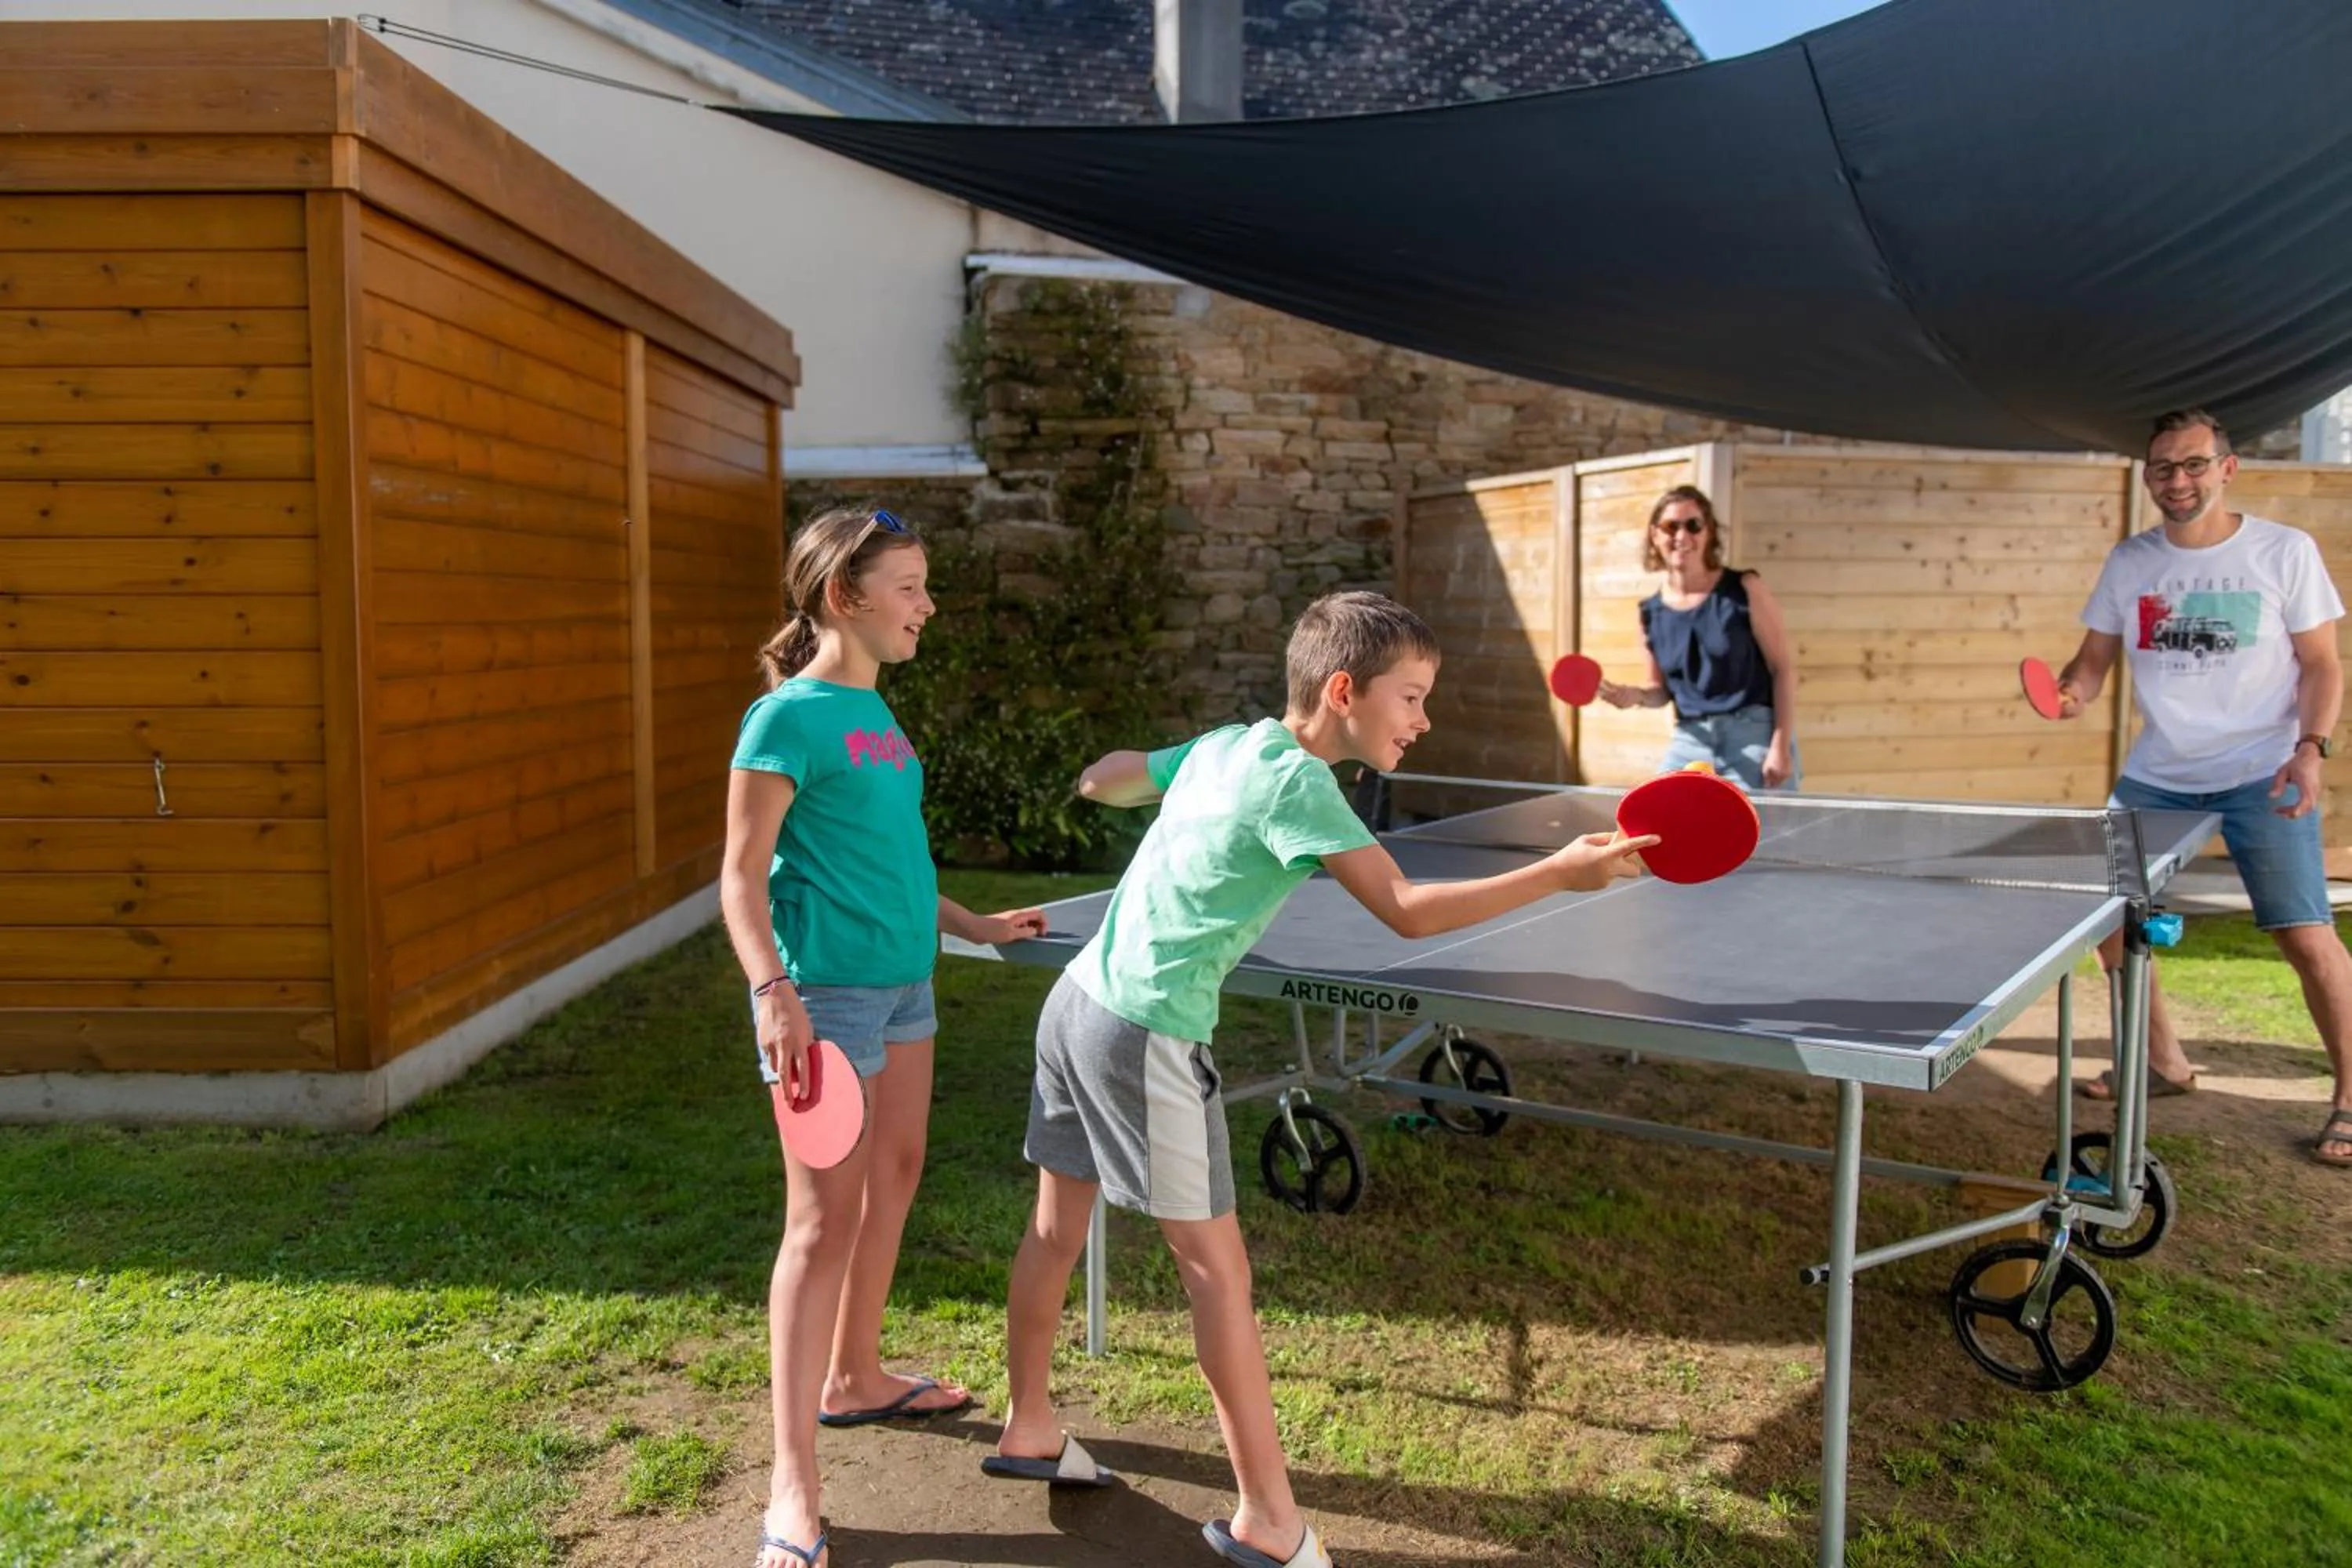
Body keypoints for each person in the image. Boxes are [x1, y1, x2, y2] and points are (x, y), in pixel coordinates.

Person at [983, 591, 1657, 1567]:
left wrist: (1107, 781)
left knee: (1057, 1227)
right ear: (1344, 690)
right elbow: (1407, 909)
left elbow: (1114, 775)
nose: (1424, 719)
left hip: (1077, 1003)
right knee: (1217, 1272)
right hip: (1145, 1032)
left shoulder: (1232, 744)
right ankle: (1269, 1516)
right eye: (1411, 696)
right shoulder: (1301, 782)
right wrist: (1559, 872)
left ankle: (1029, 1423)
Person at [718, 506, 1049, 1568]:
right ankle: (792, 1486)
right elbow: (738, 878)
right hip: (827, 999)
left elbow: (889, 862)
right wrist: (773, 990)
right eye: (909, 586)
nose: (928, 605)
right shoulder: (786, 719)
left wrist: (971, 924)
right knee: (821, 1223)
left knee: (896, 1175)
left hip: (909, 989)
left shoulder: (879, 717)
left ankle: (855, 1375)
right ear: (843, 596)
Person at [2045, 410, 2352, 1171]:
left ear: (2226, 468)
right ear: (2148, 477)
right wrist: (2071, 693)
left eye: (2193, 464)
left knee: (2305, 935)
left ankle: (2351, 1093)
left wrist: (2310, 750)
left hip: (2262, 770)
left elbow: (2322, 664)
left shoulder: (2284, 550)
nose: (2177, 480)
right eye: (2163, 468)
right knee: (2108, 918)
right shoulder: (2131, 561)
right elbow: (2091, 662)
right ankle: (2162, 1062)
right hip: (2160, 774)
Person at [1596, 484, 1801, 790]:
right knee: (1657, 814)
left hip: (1753, 734)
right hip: (1690, 739)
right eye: (1671, 526)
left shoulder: (1745, 589)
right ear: (1655, 535)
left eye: (1693, 525)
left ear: (1709, 533)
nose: (1682, 536)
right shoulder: (1649, 613)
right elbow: (1661, 691)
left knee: (1756, 822)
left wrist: (1781, 747)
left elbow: (1783, 669)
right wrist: (1636, 695)